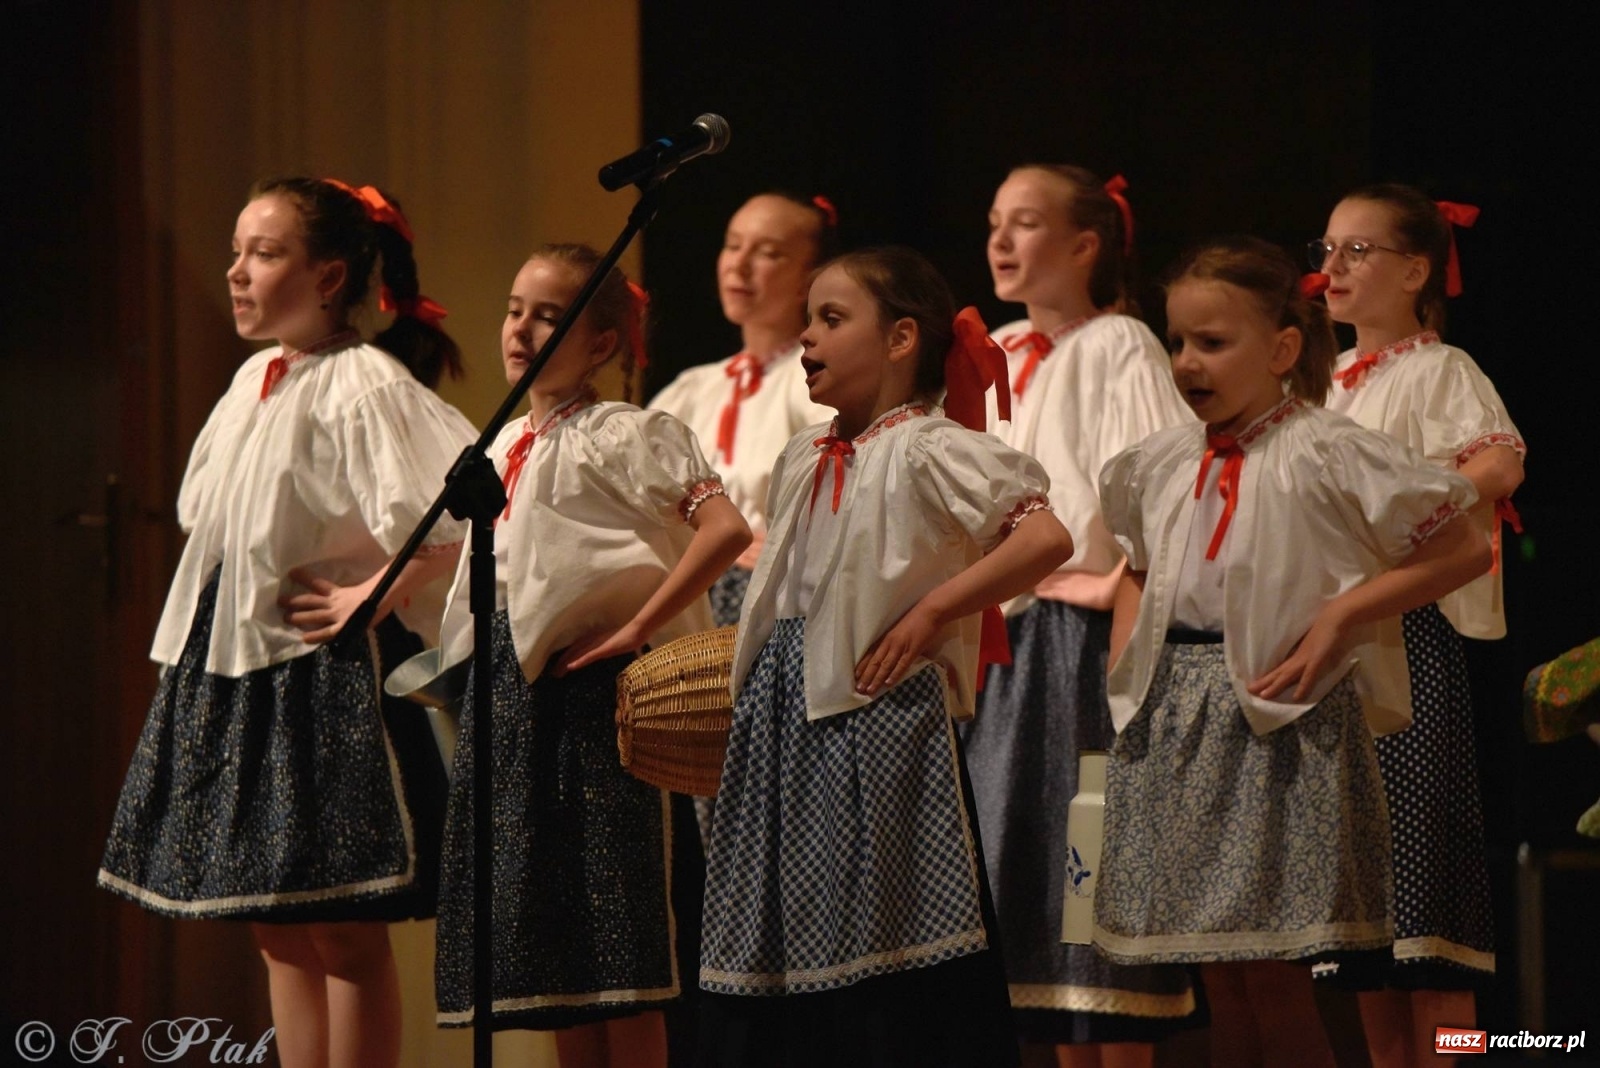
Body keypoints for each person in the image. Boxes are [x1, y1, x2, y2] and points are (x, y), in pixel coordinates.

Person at [98, 176, 477, 1068]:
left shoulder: (366, 385)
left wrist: (371, 593)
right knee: (274, 923)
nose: (237, 272)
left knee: (339, 926)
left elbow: (462, 522)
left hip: (320, 680)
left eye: (263, 254)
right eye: (237, 252)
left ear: (329, 275)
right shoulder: (254, 379)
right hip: (237, 668)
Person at [1093, 236, 1492, 1068]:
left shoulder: (1325, 448)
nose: (1187, 363)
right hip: (1178, 718)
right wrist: (1124, 668)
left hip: (1278, 718)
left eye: (1212, 343)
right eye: (1177, 343)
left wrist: (1342, 616)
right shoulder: (1159, 462)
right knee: (1217, 980)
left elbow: (1458, 547)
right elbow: (1138, 566)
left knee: (1274, 976)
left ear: (1280, 349)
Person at [696, 246, 1076, 1067]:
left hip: (878, 718)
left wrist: (935, 609)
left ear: (903, 338)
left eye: (831, 320)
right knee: (781, 933)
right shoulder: (804, 452)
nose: (807, 338)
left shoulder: (932, 446)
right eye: (807, 320)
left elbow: (1045, 536)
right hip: (782, 719)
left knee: (886, 943)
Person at [428, 244, 751, 1068]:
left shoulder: (628, 433)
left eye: (550, 315)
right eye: (514, 308)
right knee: (554, 960)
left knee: (622, 953)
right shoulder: (499, 448)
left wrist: (635, 625)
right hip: (514, 702)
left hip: (599, 703)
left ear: (602, 343)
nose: (522, 327)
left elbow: (726, 531)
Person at [967, 163, 1197, 1066]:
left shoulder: (1117, 346)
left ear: (1084, 245)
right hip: (999, 645)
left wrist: (1129, 652)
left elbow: (1158, 499)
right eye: (993, 221)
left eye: (1024, 223)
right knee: (1015, 879)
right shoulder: (993, 346)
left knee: (1088, 877)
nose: (1000, 240)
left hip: (1080, 644)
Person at [1312, 184, 1524, 1066]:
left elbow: (1501, 463)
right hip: (1339, 656)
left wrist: (1412, 509)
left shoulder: (1437, 369)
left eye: (1357, 251)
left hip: (1411, 638)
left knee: (1428, 899)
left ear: (1414, 270)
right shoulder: (1326, 388)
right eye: (1326, 248)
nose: (1333, 267)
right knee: (1368, 925)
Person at [648, 191, 837, 629]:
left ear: (810, 277)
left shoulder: (814, 380)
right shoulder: (693, 389)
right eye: (733, 245)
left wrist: (787, 544)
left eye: (768, 253)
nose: (740, 263)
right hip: (689, 593)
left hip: (777, 593)